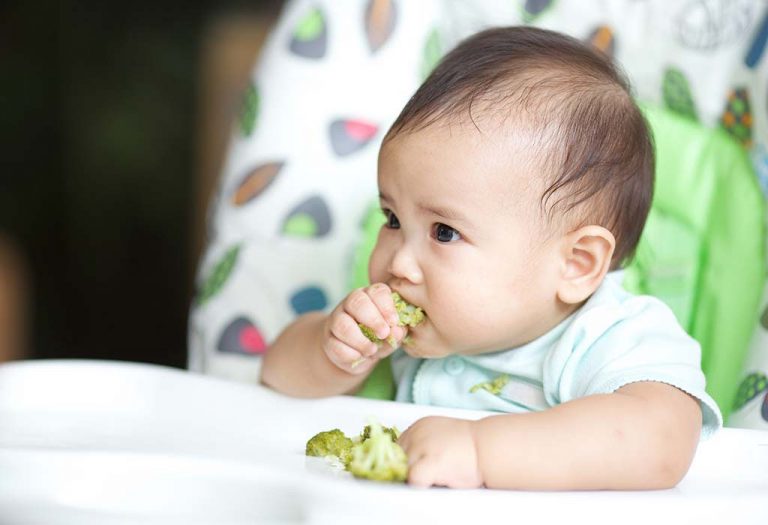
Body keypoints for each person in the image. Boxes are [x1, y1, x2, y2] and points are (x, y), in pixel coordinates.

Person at [261, 26, 722, 490]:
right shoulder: (403, 320)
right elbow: (277, 377)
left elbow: (660, 442)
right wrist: (334, 351)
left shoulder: (609, 337)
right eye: (392, 217)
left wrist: (481, 451)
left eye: (444, 231)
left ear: (576, 264)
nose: (399, 262)